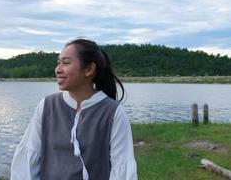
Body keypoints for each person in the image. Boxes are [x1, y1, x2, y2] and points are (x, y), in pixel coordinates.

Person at [11, 38, 137, 180]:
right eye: (58, 63)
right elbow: (28, 160)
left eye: (65, 63)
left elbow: (122, 166)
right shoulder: (47, 106)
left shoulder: (113, 112)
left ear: (89, 69)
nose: (58, 70)